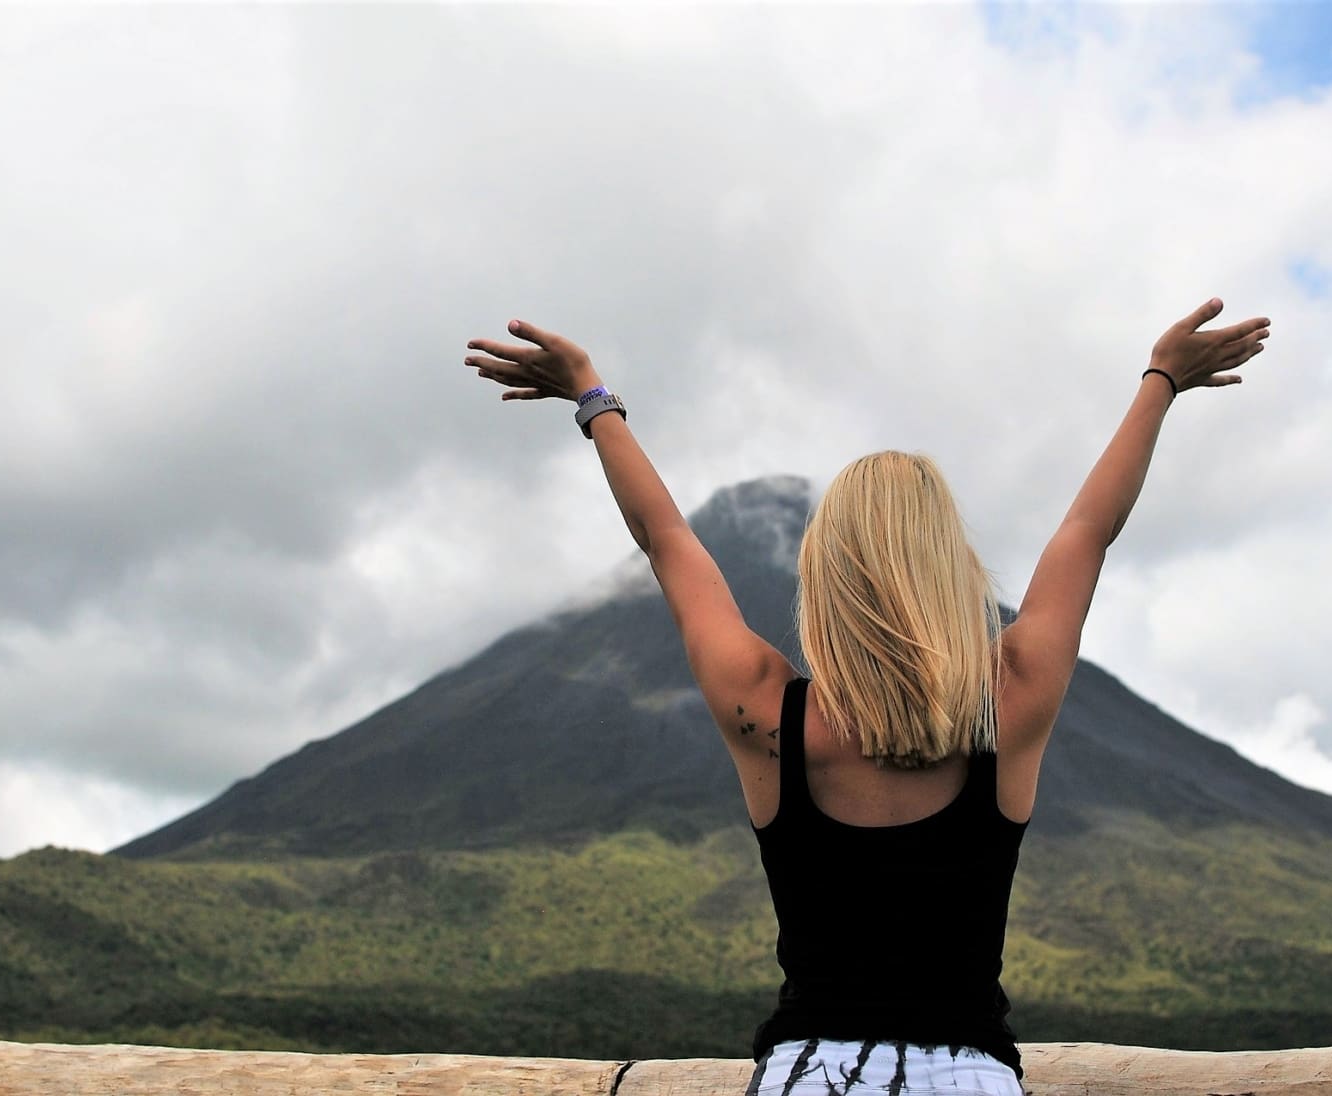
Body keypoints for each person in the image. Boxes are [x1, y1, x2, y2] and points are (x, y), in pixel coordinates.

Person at [463, 298, 1271, 1096]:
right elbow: (1088, 530)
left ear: (823, 574)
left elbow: (666, 539)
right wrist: (1160, 379)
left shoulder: (765, 710)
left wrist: (593, 397)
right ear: (950, 565)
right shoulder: (1012, 696)